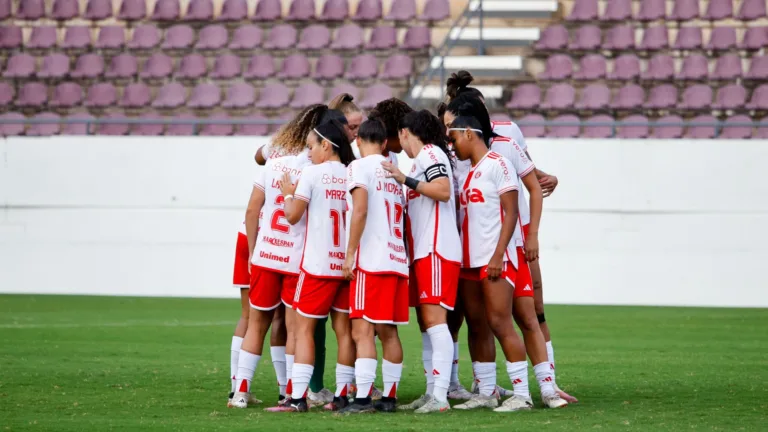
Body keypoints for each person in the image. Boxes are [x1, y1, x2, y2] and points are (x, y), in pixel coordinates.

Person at [443, 71, 577, 404]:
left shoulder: (504, 145)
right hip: (471, 252)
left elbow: (530, 185)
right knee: (476, 320)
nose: (448, 135)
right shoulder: (453, 154)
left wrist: (531, 236)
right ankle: (483, 386)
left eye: (452, 128)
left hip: (507, 247)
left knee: (527, 315)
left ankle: (544, 386)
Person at [231, 104, 330, 409]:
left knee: (256, 322)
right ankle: (289, 392)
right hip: (294, 259)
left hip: (265, 255)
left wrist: (254, 249)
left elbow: (252, 210)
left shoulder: (275, 163)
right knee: (291, 326)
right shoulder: (314, 171)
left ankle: (240, 392)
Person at [265, 120, 357, 412]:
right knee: (344, 331)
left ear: (326, 146)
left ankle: (297, 398)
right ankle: (342, 396)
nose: (310, 152)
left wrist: (288, 192)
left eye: (311, 146)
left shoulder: (312, 173)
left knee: (303, 330)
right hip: (345, 265)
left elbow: (292, 216)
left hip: (317, 266)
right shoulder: (351, 173)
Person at [379, 110, 460, 414]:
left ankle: (440, 396)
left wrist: (405, 179)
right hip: (422, 254)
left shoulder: (430, 152)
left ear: (405, 132)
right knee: (427, 325)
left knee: (436, 324)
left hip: (436, 250)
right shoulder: (421, 160)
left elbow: (442, 190)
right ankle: (432, 392)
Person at [338, 119, 409, 414]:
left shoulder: (358, 167)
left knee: (362, 331)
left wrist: (350, 252)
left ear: (358, 141)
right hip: (396, 258)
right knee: (389, 332)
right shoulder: (395, 173)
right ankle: (389, 398)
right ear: (384, 144)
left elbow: (361, 209)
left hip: (372, 259)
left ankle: (364, 398)